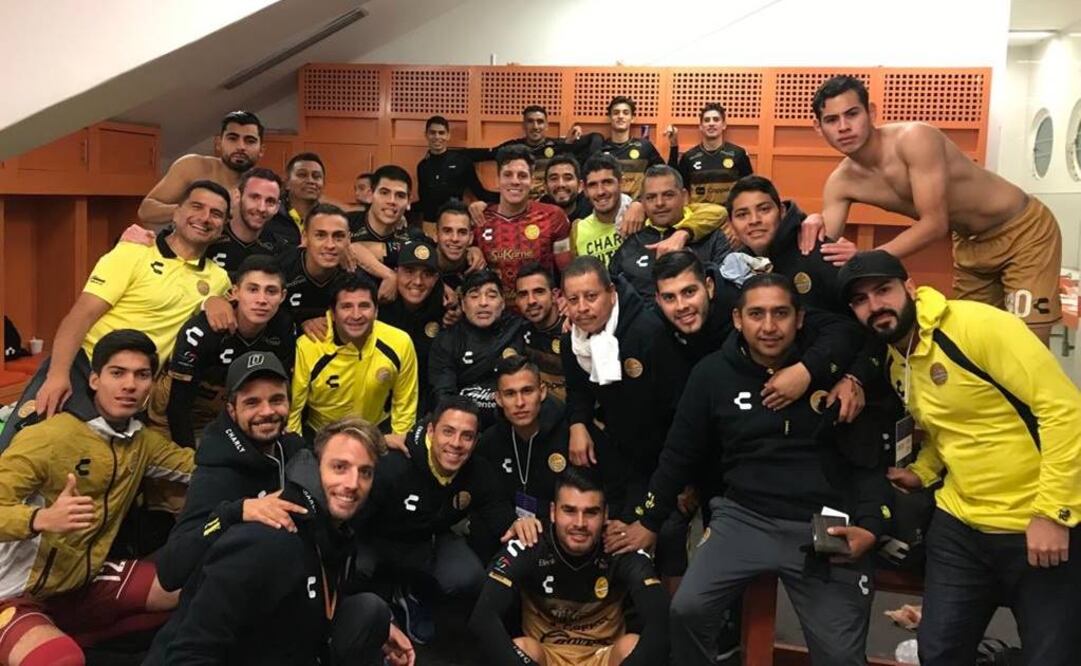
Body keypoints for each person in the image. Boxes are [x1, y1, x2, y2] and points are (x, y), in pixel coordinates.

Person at [608, 273, 892, 665]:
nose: (769, 326)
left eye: (780, 314)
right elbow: (678, 455)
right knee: (686, 610)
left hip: (823, 522)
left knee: (841, 656)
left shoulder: (837, 373)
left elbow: (867, 460)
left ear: (800, 319)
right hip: (744, 517)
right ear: (739, 319)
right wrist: (650, 520)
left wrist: (871, 527)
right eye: (757, 314)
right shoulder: (711, 374)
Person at [839, 250, 1081, 666]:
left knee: (1052, 657)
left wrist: (1053, 513)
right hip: (960, 524)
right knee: (940, 652)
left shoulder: (976, 327)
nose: (875, 306)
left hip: (1033, 522)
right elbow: (944, 427)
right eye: (861, 300)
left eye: (883, 291)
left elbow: (1065, 410)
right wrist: (924, 471)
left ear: (910, 288)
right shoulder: (900, 358)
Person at [806, 75, 1062, 342]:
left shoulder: (914, 138)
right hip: (969, 245)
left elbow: (934, 223)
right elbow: (825, 251)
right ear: (818, 127)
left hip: (1023, 229)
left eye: (852, 114)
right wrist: (812, 220)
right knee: (974, 342)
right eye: (832, 120)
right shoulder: (841, 182)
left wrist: (864, 260)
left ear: (871, 112)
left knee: (1027, 344)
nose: (844, 127)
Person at [0, 330, 195, 666]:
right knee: (61, 661)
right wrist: (38, 520)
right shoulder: (48, 437)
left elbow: (196, 468)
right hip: (13, 591)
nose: (130, 385)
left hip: (79, 583)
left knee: (186, 591)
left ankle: (59, 634)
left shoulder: (141, 441)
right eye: (117, 373)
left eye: (142, 374)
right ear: (94, 379)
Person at [151, 418, 414, 666]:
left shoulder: (334, 530)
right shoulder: (268, 539)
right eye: (339, 467)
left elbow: (324, 590)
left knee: (371, 612)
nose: (353, 483)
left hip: (278, 647)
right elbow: (190, 653)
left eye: (365, 472)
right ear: (315, 466)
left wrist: (383, 629)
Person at [0, 181, 232, 450]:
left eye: (216, 214)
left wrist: (216, 300)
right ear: (177, 212)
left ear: (223, 225)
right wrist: (58, 375)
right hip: (83, 368)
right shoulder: (132, 253)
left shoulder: (218, 279)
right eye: (196, 207)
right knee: (19, 455)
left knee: (87, 470)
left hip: (133, 386)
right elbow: (79, 317)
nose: (205, 218)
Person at [559, 257, 692, 584]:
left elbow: (680, 414)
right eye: (573, 299)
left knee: (668, 529)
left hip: (665, 455)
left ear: (612, 293)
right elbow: (578, 390)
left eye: (591, 297)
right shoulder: (572, 340)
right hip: (620, 451)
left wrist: (684, 483)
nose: (582, 308)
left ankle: (671, 619)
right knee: (610, 529)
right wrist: (578, 423)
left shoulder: (649, 333)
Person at [469, 466, 668, 666]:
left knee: (631, 645)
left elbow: (661, 618)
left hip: (605, 656)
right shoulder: (530, 542)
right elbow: (483, 617)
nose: (580, 523)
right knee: (522, 647)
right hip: (545, 657)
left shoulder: (620, 544)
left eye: (591, 512)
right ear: (553, 512)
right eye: (569, 511)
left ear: (605, 515)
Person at [357, 397, 515, 645]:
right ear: (431, 430)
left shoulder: (478, 471)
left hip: (425, 542)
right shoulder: (393, 464)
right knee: (356, 569)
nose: (456, 444)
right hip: (375, 541)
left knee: (468, 576)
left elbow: (501, 516)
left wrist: (519, 526)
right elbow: (353, 520)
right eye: (448, 431)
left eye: (467, 436)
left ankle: (412, 595)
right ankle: (379, 602)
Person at [155, 350, 307, 592]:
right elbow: (170, 570)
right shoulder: (216, 473)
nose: (267, 411)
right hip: (230, 605)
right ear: (232, 410)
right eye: (252, 402)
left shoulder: (293, 449)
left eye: (276, 400)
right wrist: (234, 513)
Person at [146, 255, 293, 447]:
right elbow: (178, 407)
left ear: (282, 296)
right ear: (236, 292)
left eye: (271, 291)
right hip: (183, 407)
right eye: (253, 289)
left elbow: (278, 389)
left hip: (237, 407)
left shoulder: (283, 327)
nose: (262, 300)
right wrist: (193, 459)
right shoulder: (202, 331)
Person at [476, 356, 626, 526]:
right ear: (498, 399)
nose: (520, 403)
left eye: (527, 391)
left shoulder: (577, 433)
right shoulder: (489, 443)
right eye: (510, 394)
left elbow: (617, 488)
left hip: (572, 533)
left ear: (542, 391)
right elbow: (486, 500)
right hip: (515, 533)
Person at [289, 272, 418, 449]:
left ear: (376, 310)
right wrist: (296, 453)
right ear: (333, 313)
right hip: (322, 437)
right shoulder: (308, 347)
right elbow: (293, 412)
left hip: (376, 434)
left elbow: (405, 403)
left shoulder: (399, 342)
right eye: (347, 306)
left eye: (364, 306)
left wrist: (398, 441)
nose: (356, 315)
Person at [571, 155, 720, 267]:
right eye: (592, 185)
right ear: (584, 189)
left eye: (607, 182)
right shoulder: (578, 229)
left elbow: (717, 212)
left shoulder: (648, 217)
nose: (600, 191)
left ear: (622, 182)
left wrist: (682, 233)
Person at [609, 165, 730, 298]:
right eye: (651, 197)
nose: (659, 203)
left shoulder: (713, 236)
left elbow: (725, 291)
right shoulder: (632, 241)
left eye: (668, 195)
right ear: (642, 202)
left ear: (684, 197)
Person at [429, 270, 526, 429]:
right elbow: (443, 397)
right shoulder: (447, 340)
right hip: (463, 427)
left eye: (492, 295)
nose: (483, 303)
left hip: (511, 426)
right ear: (463, 305)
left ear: (502, 303)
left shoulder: (518, 329)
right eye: (474, 296)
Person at [474, 145, 572, 302]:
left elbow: (567, 270)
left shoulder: (553, 216)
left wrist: (566, 300)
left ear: (532, 181)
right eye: (508, 175)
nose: (515, 181)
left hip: (539, 317)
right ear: (497, 180)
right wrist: (471, 249)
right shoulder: (480, 219)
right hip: (495, 317)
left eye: (522, 175)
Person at [138, 111, 264, 227]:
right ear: (218, 143)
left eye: (250, 141)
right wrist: (191, 209)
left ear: (261, 150)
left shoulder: (262, 187)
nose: (241, 146)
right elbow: (146, 211)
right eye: (232, 138)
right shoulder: (192, 166)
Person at [379, 239, 455, 416]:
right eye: (409, 271)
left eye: (427, 274)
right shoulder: (379, 306)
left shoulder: (445, 309)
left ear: (437, 278)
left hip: (424, 404)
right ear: (396, 272)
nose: (418, 281)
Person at [472, 106, 593, 199]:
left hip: (549, 204)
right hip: (518, 203)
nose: (535, 126)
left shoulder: (558, 146)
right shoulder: (511, 148)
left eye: (540, 122)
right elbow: (481, 154)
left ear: (546, 125)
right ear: (523, 125)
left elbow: (595, 138)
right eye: (530, 121)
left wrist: (575, 132)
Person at [416, 116, 498, 235]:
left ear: (448, 135)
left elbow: (480, 193)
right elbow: (423, 201)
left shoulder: (461, 161)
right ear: (426, 135)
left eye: (441, 133)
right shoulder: (422, 166)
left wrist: (506, 198)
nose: (437, 137)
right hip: (430, 226)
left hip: (455, 223)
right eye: (432, 133)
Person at [204, 167, 289, 274]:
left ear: (277, 207)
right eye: (254, 197)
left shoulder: (280, 250)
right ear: (237, 196)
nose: (261, 208)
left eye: (270, 201)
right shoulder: (208, 238)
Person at [665, 103, 752, 205]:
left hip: (729, 218)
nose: (711, 123)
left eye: (716, 119)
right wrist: (673, 145)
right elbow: (673, 184)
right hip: (699, 218)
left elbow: (749, 190)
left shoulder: (739, 154)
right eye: (707, 120)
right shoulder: (689, 157)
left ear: (724, 125)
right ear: (701, 127)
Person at [584, 96, 664, 197]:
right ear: (610, 117)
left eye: (625, 113)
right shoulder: (599, 148)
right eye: (616, 113)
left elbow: (664, 176)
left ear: (632, 118)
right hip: (608, 208)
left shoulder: (645, 146)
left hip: (638, 209)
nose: (620, 116)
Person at [515, 263, 567, 402]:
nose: (531, 301)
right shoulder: (517, 331)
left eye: (539, 291)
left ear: (555, 295)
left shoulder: (574, 327)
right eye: (523, 294)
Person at [264, 152, 327, 247]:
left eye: (316, 176)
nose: (311, 181)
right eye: (302, 175)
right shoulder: (269, 216)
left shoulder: (330, 219)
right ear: (287, 183)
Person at [540, 154, 592, 222]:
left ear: (580, 186)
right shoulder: (536, 218)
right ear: (545, 186)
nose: (561, 184)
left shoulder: (594, 215)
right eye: (554, 179)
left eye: (568, 178)